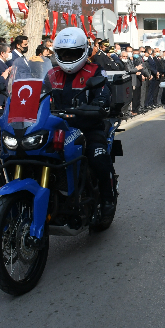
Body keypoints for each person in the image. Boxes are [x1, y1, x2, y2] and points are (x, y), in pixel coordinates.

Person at [45, 27, 118, 228]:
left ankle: (107, 200)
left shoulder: (95, 71)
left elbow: (103, 94)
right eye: (63, 53)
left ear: (83, 52)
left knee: (99, 158)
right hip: (56, 128)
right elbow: (36, 95)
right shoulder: (51, 74)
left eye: (73, 53)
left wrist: (99, 105)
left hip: (88, 127)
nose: (68, 57)